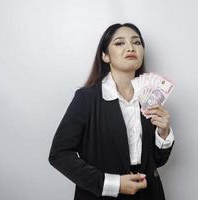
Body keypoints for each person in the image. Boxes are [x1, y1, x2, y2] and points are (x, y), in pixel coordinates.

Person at [48, 23, 175, 200]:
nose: (130, 47)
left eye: (137, 42)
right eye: (119, 43)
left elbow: (157, 161)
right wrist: (112, 184)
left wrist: (164, 133)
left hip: (149, 194)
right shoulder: (87, 98)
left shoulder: (150, 98)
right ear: (105, 56)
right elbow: (59, 155)